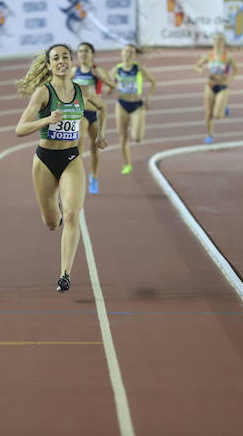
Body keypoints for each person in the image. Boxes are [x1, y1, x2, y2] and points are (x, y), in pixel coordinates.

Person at [15, 44, 108, 292]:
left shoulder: (84, 91)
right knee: (51, 222)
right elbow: (19, 129)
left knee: (72, 215)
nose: (61, 61)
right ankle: (53, 211)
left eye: (65, 56)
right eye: (55, 58)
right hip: (45, 160)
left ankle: (65, 274)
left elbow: (103, 108)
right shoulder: (43, 94)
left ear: (72, 61)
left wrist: (100, 135)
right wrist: (46, 119)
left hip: (71, 158)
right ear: (49, 65)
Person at [71, 42, 116, 194]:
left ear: (92, 54)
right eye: (81, 51)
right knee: (79, 142)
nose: (83, 53)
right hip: (80, 113)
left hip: (96, 112)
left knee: (95, 147)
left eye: (86, 51)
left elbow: (112, 85)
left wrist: (102, 78)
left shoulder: (96, 70)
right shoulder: (74, 71)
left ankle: (94, 177)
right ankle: (78, 178)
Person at [109, 43, 156, 175]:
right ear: (121, 53)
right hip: (122, 104)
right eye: (126, 52)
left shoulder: (140, 69)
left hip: (137, 105)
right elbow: (109, 87)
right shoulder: (116, 70)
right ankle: (127, 164)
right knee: (122, 137)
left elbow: (153, 82)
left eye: (131, 52)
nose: (128, 54)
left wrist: (148, 98)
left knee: (137, 138)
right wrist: (111, 86)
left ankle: (138, 127)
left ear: (135, 55)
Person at [193, 33, 239, 144]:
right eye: (215, 39)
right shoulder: (208, 55)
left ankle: (224, 108)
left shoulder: (227, 57)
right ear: (213, 42)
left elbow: (236, 70)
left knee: (217, 115)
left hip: (223, 87)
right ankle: (209, 135)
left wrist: (230, 78)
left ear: (224, 42)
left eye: (220, 40)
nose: (217, 42)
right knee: (208, 113)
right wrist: (200, 70)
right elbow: (196, 66)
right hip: (210, 86)